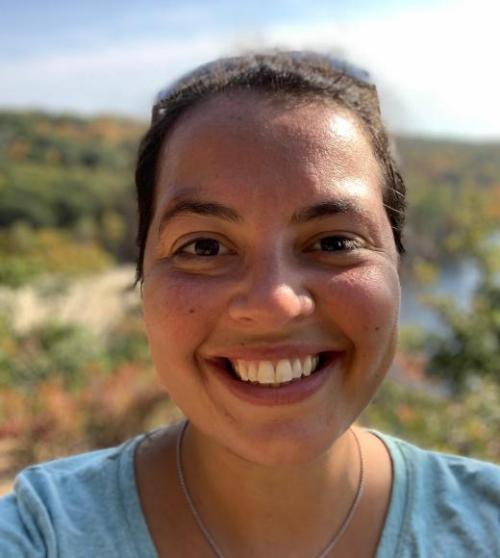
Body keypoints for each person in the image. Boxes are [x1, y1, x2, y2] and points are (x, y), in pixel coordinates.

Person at [0, 50, 499, 558]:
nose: (274, 303)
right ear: (143, 280)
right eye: (204, 247)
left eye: (333, 242)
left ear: (398, 265)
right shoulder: (43, 534)